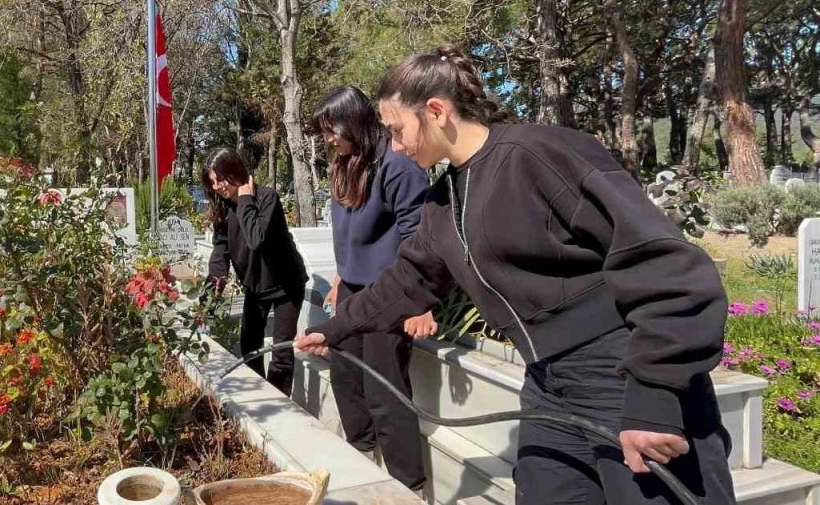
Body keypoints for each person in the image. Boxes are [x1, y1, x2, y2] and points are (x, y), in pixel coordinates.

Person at [296, 45, 735, 504]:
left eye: (399, 130)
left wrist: (654, 396)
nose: (398, 146)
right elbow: (408, 280)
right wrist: (335, 329)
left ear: (437, 111)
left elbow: (669, 267)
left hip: (623, 373)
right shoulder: (445, 201)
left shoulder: (541, 153)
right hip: (547, 384)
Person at [312, 85, 436, 490]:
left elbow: (418, 236)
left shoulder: (399, 166)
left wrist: (421, 303)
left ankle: (407, 485)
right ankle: (360, 459)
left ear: (356, 122)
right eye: (324, 132)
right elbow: (346, 235)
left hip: (392, 294)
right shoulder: (344, 164)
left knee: (385, 391)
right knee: (347, 380)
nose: (329, 140)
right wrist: (339, 280)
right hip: (352, 291)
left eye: (333, 131)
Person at [203, 148, 307, 395]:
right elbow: (220, 254)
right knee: (249, 346)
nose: (217, 187)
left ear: (236, 172)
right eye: (212, 182)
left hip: (286, 286)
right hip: (255, 287)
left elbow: (257, 239)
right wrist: (209, 297)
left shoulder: (267, 199)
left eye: (220, 179)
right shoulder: (223, 210)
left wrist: (246, 200)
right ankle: (259, 395)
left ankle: (279, 401)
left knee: (281, 351)